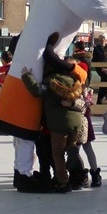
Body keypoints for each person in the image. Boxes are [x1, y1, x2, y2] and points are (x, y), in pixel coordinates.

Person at [21, 35, 88, 192]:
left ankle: (62, 182)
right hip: (76, 123)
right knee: (71, 150)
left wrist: (26, 76)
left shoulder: (51, 82)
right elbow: (82, 101)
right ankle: (78, 177)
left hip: (59, 125)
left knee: (57, 154)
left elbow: (37, 91)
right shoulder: (73, 81)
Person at [92, 34, 107, 104]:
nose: (101, 41)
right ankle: (101, 100)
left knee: (106, 83)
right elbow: (94, 60)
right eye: (99, 40)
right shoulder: (97, 48)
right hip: (100, 68)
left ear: (105, 40)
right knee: (105, 78)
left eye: (102, 39)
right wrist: (101, 68)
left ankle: (101, 100)